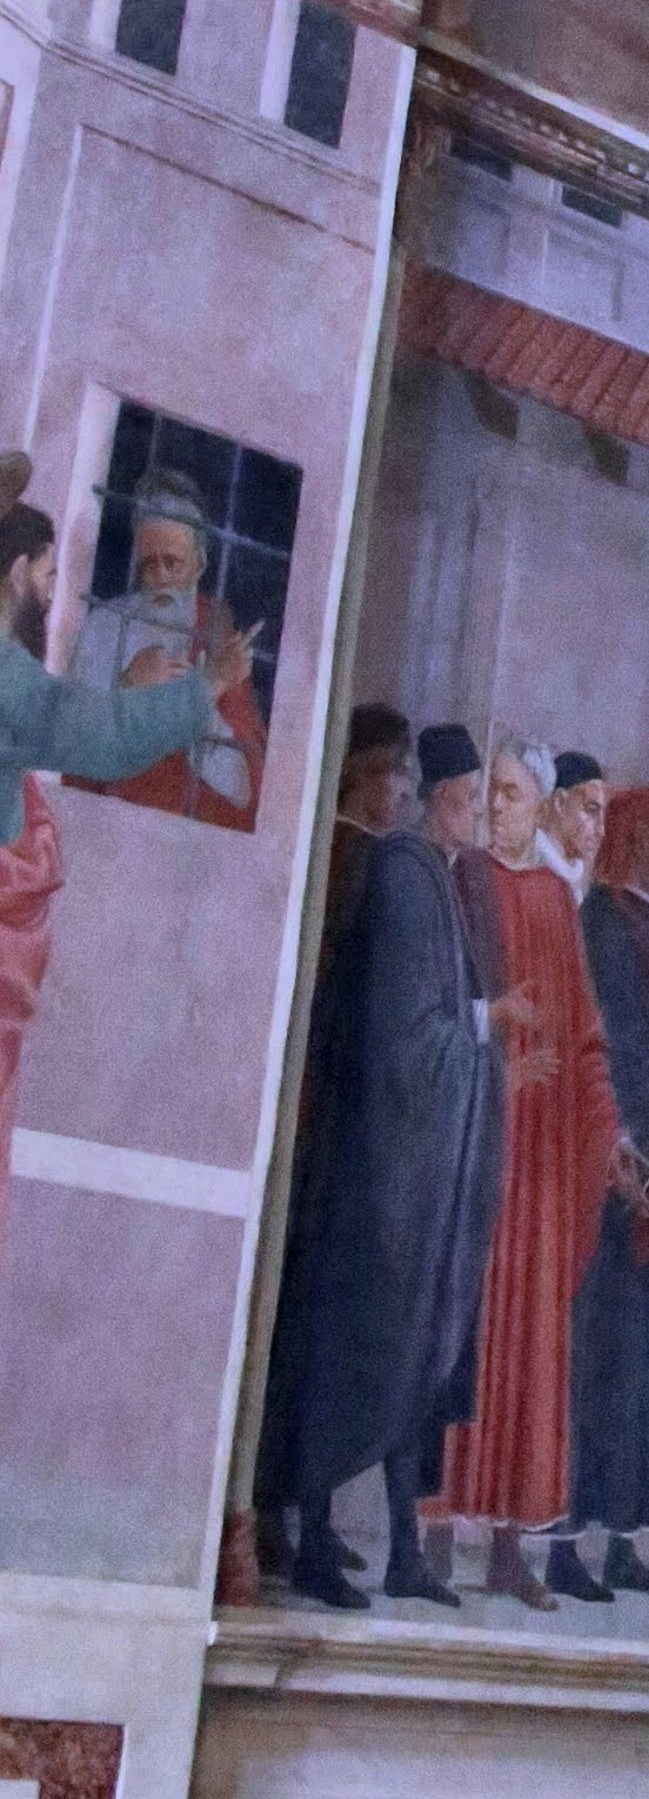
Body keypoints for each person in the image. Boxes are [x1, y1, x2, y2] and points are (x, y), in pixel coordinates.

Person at [254, 708, 497, 1609]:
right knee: (342, 1346)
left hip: (406, 1149)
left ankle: (399, 1549)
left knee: (405, 1347)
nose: (399, 791)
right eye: (462, 796)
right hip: (362, 1154)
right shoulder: (394, 870)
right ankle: (310, 1537)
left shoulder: (429, 872)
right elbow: (392, 1024)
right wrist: (484, 1029)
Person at [447, 742, 621, 1608]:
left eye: (511, 795)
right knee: (465, 1333)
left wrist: (606, 1129)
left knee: (529, 1349)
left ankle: (510, 1544)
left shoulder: (556, 899)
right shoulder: (465, 880)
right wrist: (492, 1076)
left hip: (543, 1162)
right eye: (491, 795)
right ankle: (436, 1533)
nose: (497, 809)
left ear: (540, 803)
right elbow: (449, 1009)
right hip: (479, 1144)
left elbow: (584, 1033)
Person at [569, 786, 649, 1602]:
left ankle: (620, 1541)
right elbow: (605, 1061)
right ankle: (567, 1548)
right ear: (635, 841)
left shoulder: (636, 924)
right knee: (598, 1363)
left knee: (639, 1366)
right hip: (611, 1183)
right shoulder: (606, 928)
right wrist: (640, 1165)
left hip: (647, 1175)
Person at [67, 488, 262, 823]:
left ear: (199, 564)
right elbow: (72, 744)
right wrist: (126, 688)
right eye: (148, 564)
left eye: (172, 562)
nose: (159, 578)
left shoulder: (216, 629)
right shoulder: (104, 626)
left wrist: (202, 693)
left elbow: (242, 788)